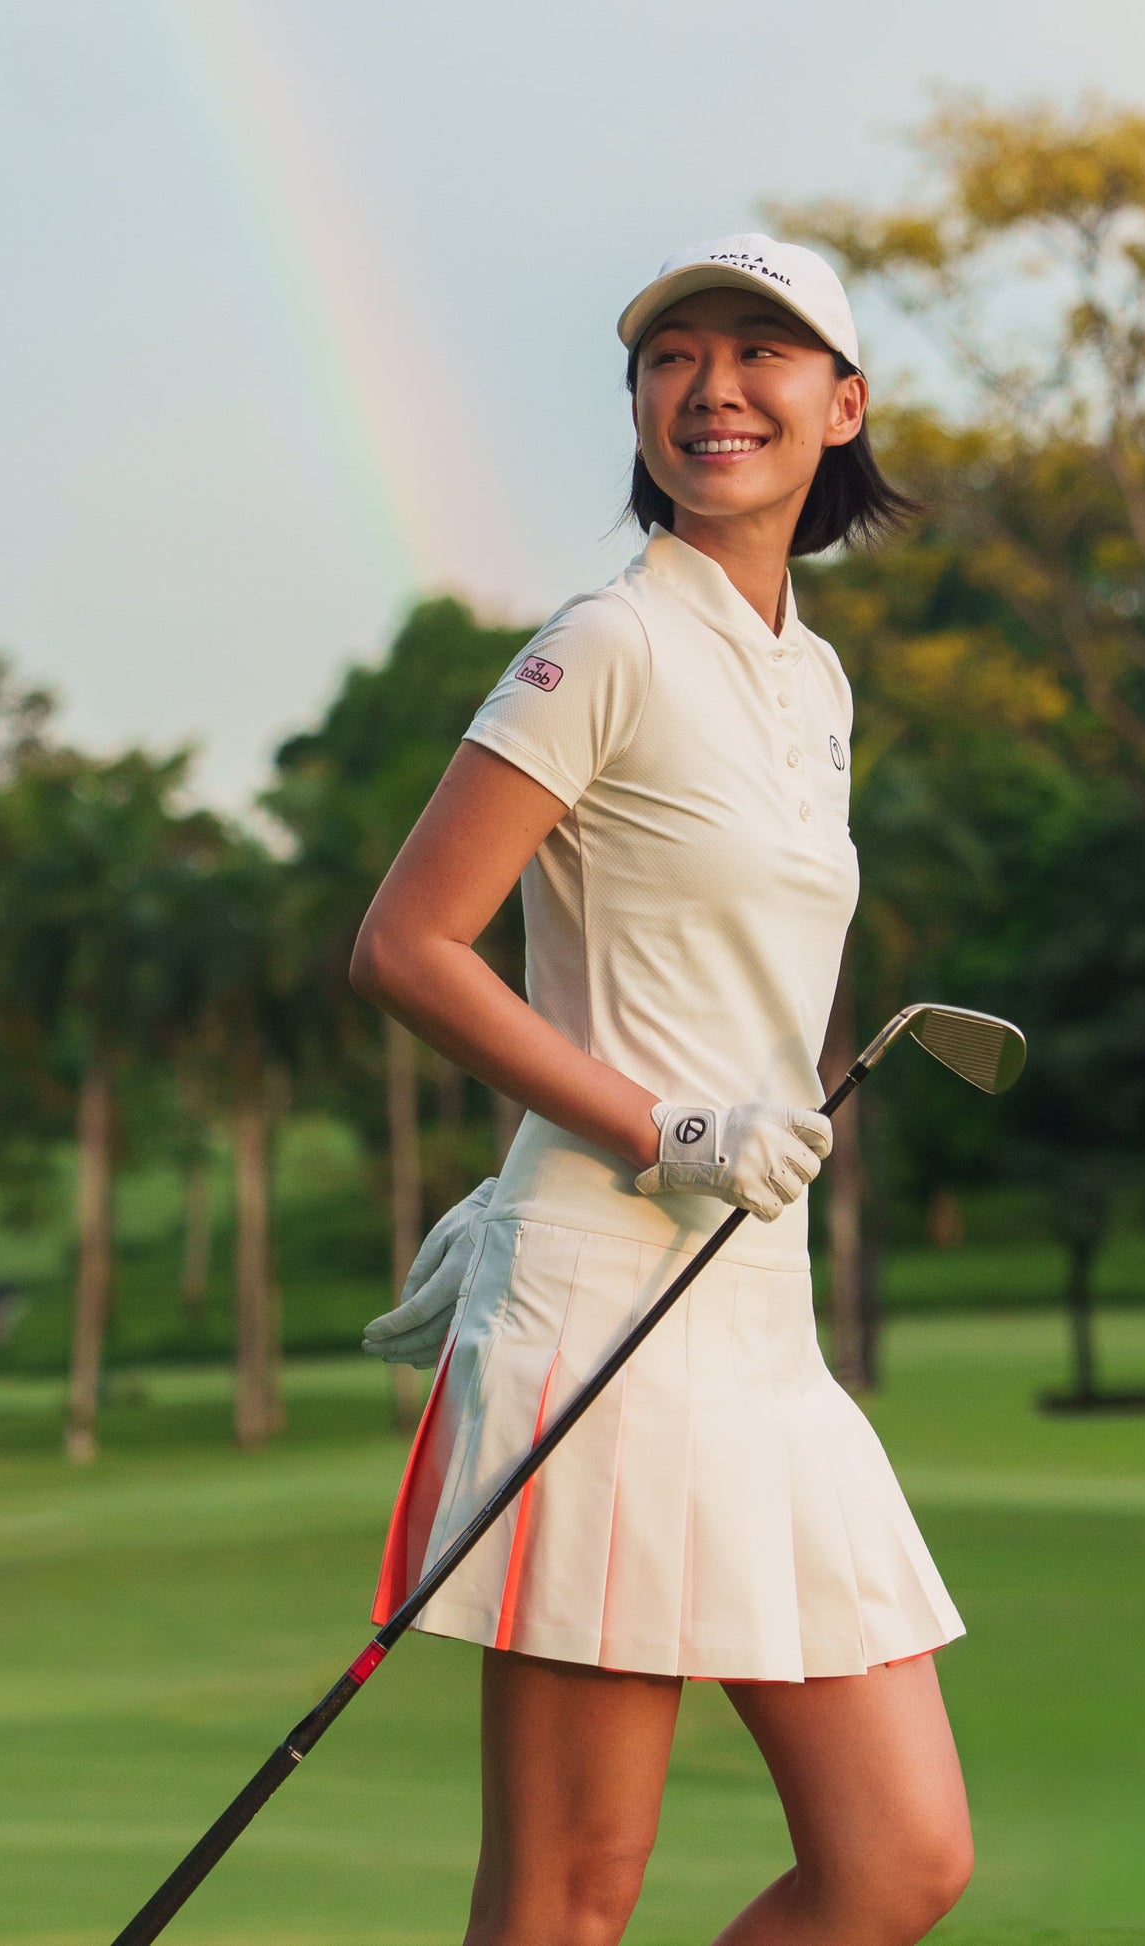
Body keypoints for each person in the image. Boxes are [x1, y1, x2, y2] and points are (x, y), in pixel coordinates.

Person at [349, 235, 972, 1946]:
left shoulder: (812, 678)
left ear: (842, 405)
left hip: (756, 1319)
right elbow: (407, 945)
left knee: (897, 1858)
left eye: (760, 353)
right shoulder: (606, 640)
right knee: (567, 1898)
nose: (711, 388)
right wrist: (662, 1127)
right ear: (638, 405)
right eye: (671, 356)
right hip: (603, 1304)